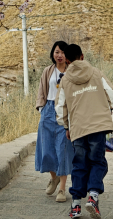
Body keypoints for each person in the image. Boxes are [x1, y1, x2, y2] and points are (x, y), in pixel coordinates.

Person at [56, 44, 113, 219]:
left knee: (79, 164)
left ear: (67, 60)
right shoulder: (96, 73)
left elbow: (60, 108)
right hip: (98, 127)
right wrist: (107, 110)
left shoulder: (65, 80)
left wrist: (66, 126)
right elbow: (112, 96)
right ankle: (93, 197)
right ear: (82, 56)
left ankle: (76, 205)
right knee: (98, 162)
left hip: (78, 129)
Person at [35, 41, 75, 202]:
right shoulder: (48, 71)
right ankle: (54, 177)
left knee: (63, 150)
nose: (60, 55)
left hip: (65, 111)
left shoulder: (72, 71)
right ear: (53, 53)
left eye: (63, 52)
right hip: (48, 110)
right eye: (57, 52)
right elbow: (41, 91)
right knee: (46, 149)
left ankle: (62, 189)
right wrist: (41, 108)